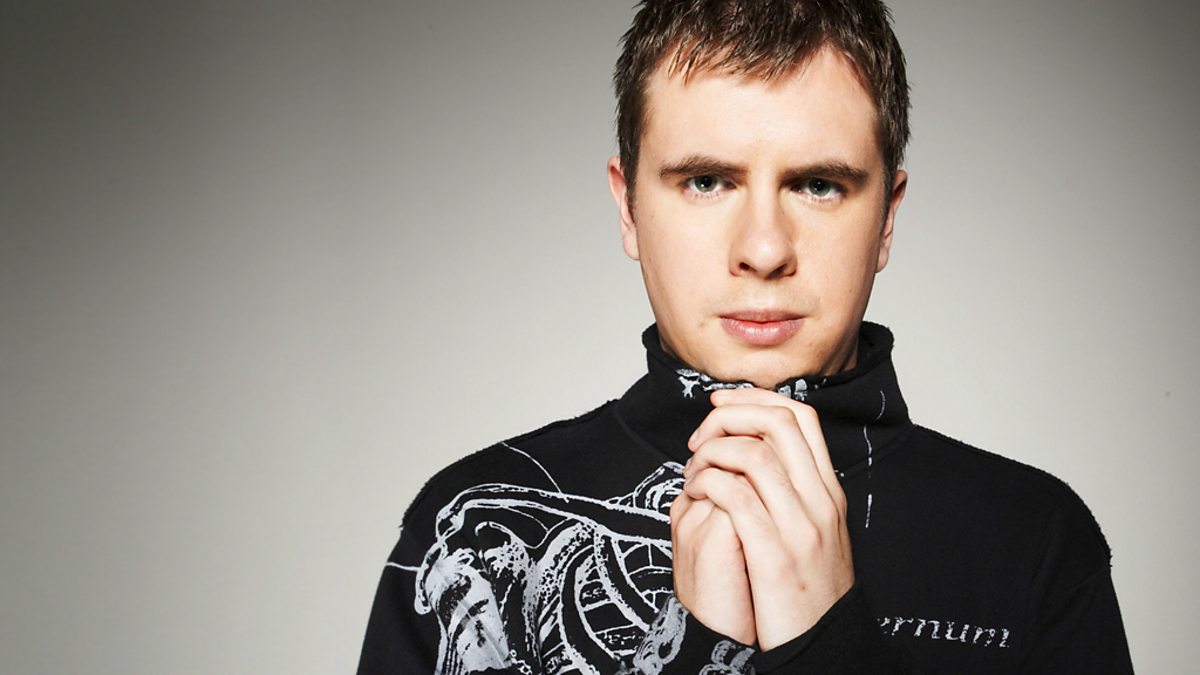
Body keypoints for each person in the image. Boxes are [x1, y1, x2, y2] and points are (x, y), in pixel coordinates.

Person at [358, 1, 1133, 672]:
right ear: (628, 208)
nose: (764, 249)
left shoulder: (1034, 540)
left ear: (886, 218)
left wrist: (828, 644)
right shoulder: (463, 524)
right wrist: (697, 648)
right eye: (706, 181)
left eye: (818, 185)